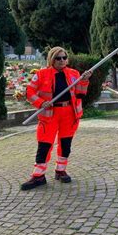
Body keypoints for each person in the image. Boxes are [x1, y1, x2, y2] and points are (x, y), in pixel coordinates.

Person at [21, 47, 92, 190]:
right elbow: (29, 91)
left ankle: (60, 170)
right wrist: (41, 102)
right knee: (45, 145)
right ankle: (38, 176)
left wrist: (84, 81)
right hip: (49, 115)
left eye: (64, 57)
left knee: (65, 144)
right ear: (52, 59)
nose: (62, 60)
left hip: (69, 114)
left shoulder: (74, 74)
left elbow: (80, 94)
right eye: (58, 58)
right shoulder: (42, 74)